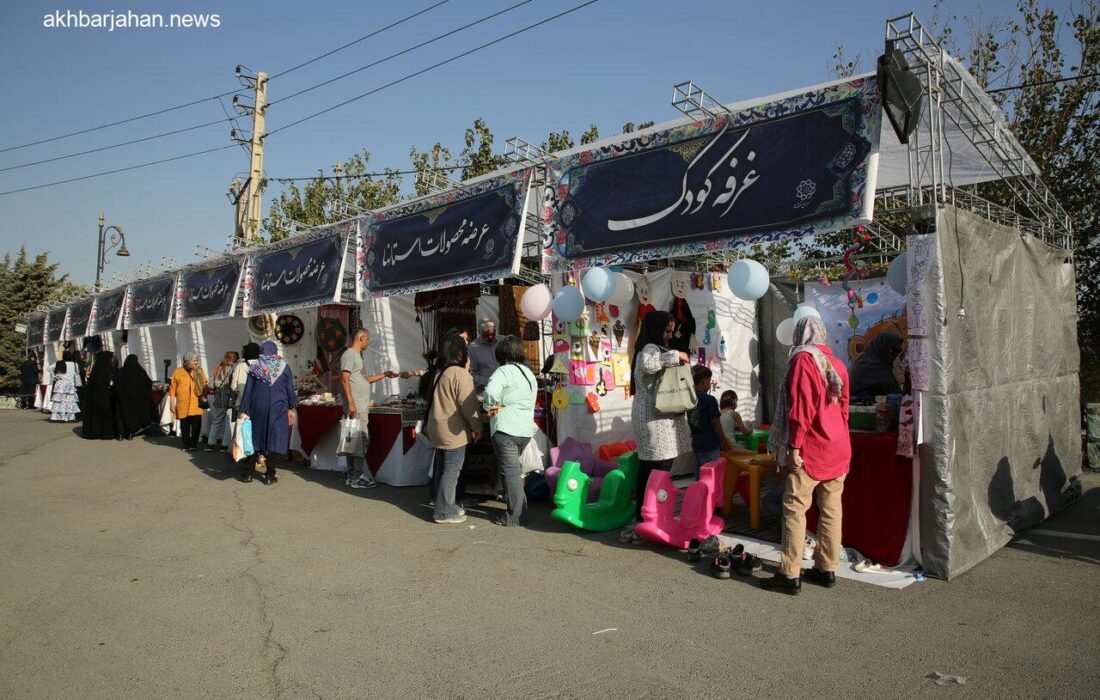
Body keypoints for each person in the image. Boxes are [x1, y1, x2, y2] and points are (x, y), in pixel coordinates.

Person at [761, 317, 850, 596]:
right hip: (838, 446)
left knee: (794, 508)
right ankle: (826, 568)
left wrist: (795, 446)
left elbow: (801, 408)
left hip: (811, 446)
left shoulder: (803, 360)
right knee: (831, 510)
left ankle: (789, 573)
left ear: (799, 334)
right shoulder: (837, 363)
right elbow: (845, 407)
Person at [625, 310, 691, 542]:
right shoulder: (649, 349)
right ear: (655, 329)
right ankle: (648, 518)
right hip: (654, 419)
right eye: (666, 331)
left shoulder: (652, 348)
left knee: (651, 469)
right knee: (657, 470)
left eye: (671, 332)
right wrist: (676, 355)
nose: (669, 336)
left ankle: (646, 517)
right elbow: (650, 365)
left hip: (657, 418)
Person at [425, 336, 482, 524]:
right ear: (460, 354)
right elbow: (469, 405)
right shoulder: (460, 374)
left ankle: (443, 504)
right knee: (452, 471)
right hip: (453, 430)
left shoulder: (441, 372)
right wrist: (476, 426)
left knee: (443, 469)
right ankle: (443, 511)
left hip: (437, 427)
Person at [483, 335, 537, 527]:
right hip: (525, 429)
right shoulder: (528, 372)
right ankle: (518, 509)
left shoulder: (503, 371)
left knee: (511, 473)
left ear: (501, 354)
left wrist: (490, 406)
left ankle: (516, 516)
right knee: (514, 471)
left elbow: (490, 392)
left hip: (506, 428)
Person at [339, 328, 398, 489]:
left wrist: (385, 374)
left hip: (359, 405)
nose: (368, 342)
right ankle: (356, 476)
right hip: (356, 406)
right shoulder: (350, 354)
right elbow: (344, 379)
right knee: (360, 440)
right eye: (367, 339)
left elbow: (366, 379)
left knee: (352, 440)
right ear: (361, 338)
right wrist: (351, 403)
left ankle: (352, 475)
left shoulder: (357, 357)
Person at [238, 341, 297, 485]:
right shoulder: (284, 367)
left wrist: (244, 409)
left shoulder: (255, 367)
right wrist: (291, 406)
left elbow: (248, 390)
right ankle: (270, 475)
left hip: (258, 407)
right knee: (274, 439)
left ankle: (248, 474)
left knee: (254, 438)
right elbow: (290, 389)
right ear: (275, 352)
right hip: (278, 407)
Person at [689, 365, 734, 476]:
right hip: (710, 445)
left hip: (696, 444)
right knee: (711, 477)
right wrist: (724, 442)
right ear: (704, 382)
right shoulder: (709, 400)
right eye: (709, 381)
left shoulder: (690, 398)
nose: (710, 384)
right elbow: (716, 423)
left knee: (700, 477)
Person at [168, 352, 208, 452]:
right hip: (183, 404)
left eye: (197, 360)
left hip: (196, 403)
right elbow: (172, 389)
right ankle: (186, 443)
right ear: (187, 362)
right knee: (184, 425)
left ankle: (193, 444)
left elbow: (204, 383)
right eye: (194, 361)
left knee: (196, 425)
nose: (196, 362)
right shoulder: (178, 372)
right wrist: (171, 404)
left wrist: (197, 372)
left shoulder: (199, 370)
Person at [113, 354, 156, 440]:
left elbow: (116, 384)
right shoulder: (140, 371)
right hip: (134, 400)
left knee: (121, 416)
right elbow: (148, 383)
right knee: (132, 417)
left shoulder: (121, 371)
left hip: (121, 399)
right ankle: (130, 434)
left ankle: (120, 435)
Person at [849, 332, 904, 399]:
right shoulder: (877, 368)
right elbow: (898, 394)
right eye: (893, 351)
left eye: (899, 351)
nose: (896, 355)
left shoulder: (862, 361)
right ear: (883, 348)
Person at [205, 351, 240, 452]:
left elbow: (211, 385)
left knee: (217, 421)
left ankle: (210, 444)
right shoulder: (236, 368)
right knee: (229, 422)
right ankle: (225, 445)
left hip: (219, 397)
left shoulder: (218, 368)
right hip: (231, 398)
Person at [82, 351, 118, 440]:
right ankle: (105, 433)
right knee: (106, 415)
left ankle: (95, 432)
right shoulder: (108, 368)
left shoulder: (96, 367)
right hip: (105, 396)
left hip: (94, 396)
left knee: (95, 415)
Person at [468, 318, 499, 391]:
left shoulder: (502, 341)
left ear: (495, 330)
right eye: (486, 335)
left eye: (492, 334)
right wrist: (487, 381)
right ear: (479, 332)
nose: (490, 337)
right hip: (485, 388)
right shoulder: (473, 348)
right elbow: (472, 373)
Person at [48, 352, 81, 423]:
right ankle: (70, 418)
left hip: (61, 384)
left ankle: (60, 417)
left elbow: (49, 368)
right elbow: (77, 372)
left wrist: (55, 376)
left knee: (60, 402)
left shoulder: (59, 363)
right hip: (71, 384)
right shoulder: (75, 364)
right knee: (70, 402)